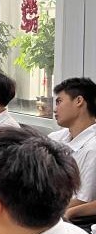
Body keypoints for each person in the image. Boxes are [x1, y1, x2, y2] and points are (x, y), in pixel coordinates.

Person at [44, 78, 96, 215]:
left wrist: (38, 211)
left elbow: (82, 200)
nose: (55, 109)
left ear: (79, 101)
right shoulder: (54, 138)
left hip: (61, 217)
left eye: (59, 101)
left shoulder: (93, 148)